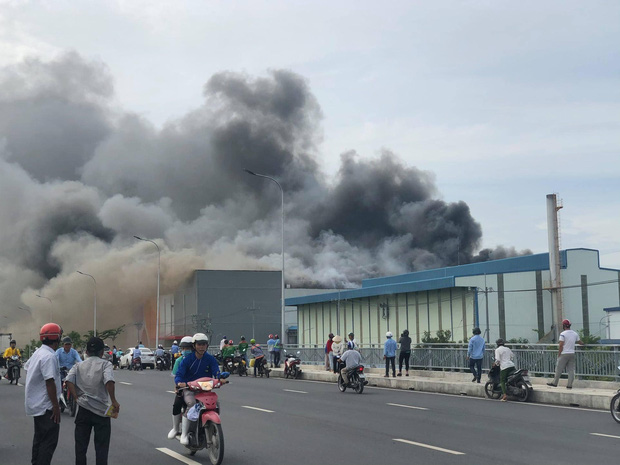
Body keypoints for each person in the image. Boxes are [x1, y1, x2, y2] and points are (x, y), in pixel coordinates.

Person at [66, 337, 120, 465]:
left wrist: (76, 397)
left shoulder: (78, 365)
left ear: (87, 352)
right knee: (101, 449)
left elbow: (68, 380)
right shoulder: (105, 364)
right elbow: (109, 381)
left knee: (80, 448)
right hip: (101, 412)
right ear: (102, 352)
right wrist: (114, 401)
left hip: (83, 410)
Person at [24, 323, 63, 465]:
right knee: (48, 443)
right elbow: (49, 382)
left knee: (39, 440)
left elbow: (27, 367)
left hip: (37, 405)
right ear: (57, 338)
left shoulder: (38, 352)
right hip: (46, 407)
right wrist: (56, 406)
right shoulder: (49, 356)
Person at [174, 333, 220, 445]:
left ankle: (212, 427)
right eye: (199, 344)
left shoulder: (210, 359)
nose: (202, 347)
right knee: (191, 404)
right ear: (194, 346)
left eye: (204, 344)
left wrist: (220, 378)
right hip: (190, 388)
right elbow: (179, 374)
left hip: (205, 389)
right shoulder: (187, 360)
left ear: (207, 345)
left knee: (216, 404)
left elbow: (216, 371)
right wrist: (179, 383)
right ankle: (184, 434)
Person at [168, 336, 194, 439]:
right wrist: (178, 386)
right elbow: (176, 377)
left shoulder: (198, 359)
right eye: (184, 348)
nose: (185, 350)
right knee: (177, 404)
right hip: (184, 388)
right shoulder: (179, 361)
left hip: (199, 387)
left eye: (188, 348)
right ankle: (175, 428)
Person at [547, 319, 584, 389]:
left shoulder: (563, 334)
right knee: (571, 370)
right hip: (572, 353)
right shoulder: (574, 333)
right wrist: (583, 344)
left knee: (558, 369)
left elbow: (561, 345)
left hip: (564, 353)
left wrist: (559, 354)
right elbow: (580, 342)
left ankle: (555, 383)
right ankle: (569, 385)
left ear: (564, 326)